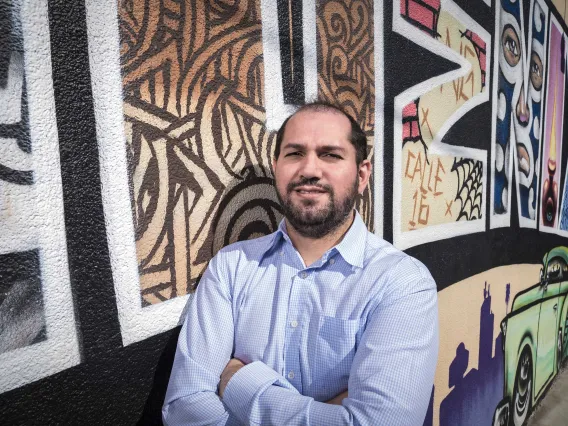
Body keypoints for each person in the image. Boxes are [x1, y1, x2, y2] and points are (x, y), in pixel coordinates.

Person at [162, 101, 439, 425]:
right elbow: (184, 410)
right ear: (276, 167)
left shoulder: (401, 283)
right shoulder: (231, 269)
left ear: (362, 175)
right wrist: (331, 412)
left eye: (330, 155)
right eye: (294, 153)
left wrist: (237, 382)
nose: (309, 170)